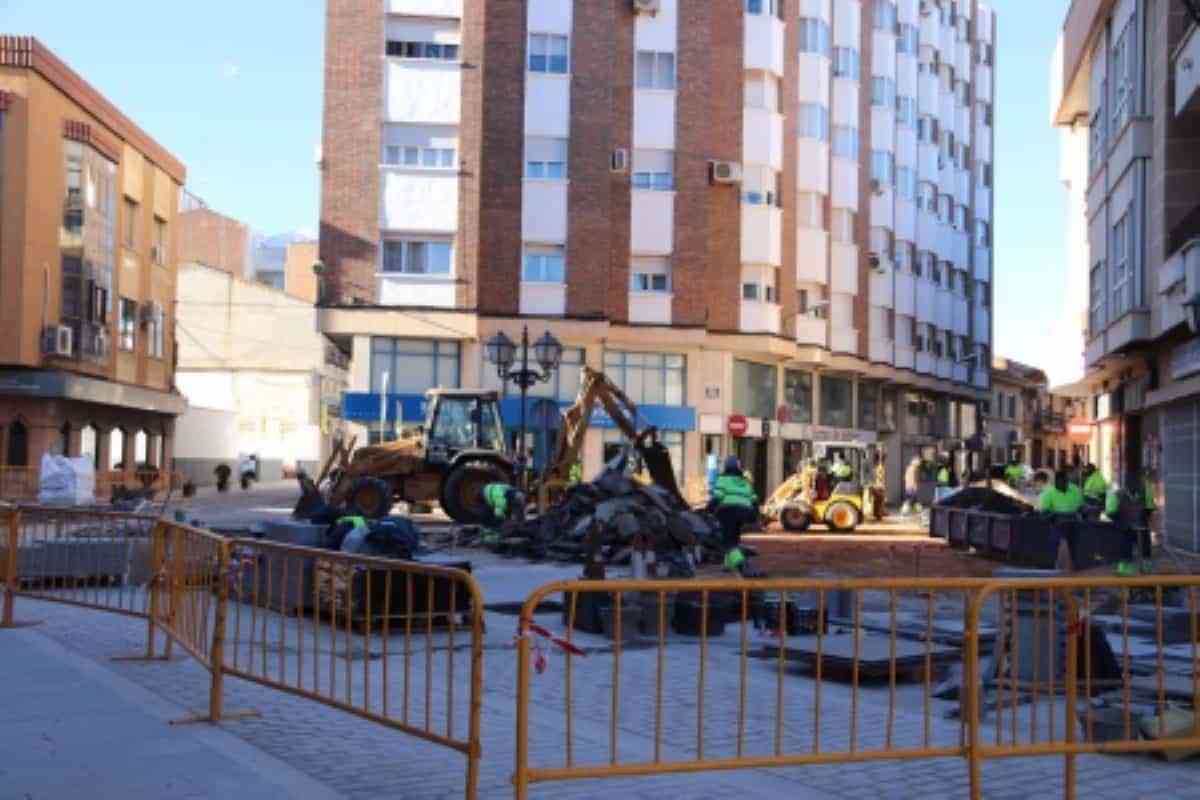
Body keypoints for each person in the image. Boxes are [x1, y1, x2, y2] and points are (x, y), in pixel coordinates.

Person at [710, 456, 758, 573]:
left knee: (727, 542)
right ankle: (728, 565)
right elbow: (754, 499)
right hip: (746, 512)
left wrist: (709, 509)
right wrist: (755, 514)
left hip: (729, 511)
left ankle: (741, 564)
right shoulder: (745, 481)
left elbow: (717, 497)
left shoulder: (722, 479)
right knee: (733, 538)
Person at [1039, 469, 1085, 571]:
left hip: (1073, 523)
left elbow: (1081, 507)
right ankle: (1051, 568)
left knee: (1076, 546)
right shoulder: (1048, 493)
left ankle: (1077, 568)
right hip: (1056, 524)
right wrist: (1054, 516)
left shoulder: (1076, 490)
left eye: (1063, 482)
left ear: (1067, 481)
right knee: (1053, 545)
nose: (1061, 484)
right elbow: (1044, 512)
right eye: (1058, 482)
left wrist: (1084, 512)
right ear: (1055, 481)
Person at [872, 455, 887, 520]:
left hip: (876, 485)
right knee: (880, 500)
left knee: (877, 501)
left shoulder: (875, 467)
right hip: (879, 486)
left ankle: (877, 513)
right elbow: (880, 477)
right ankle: (879, 514)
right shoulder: (880, 467)